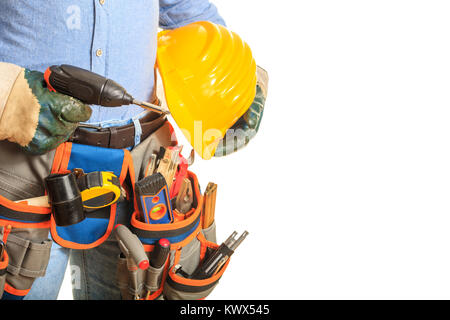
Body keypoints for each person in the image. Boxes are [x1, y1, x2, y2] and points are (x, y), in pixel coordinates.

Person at [0, 1, 265, 300]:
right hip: (23, 170)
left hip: (141, 170)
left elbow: (185, 8)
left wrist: (240, 82)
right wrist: (7, 95)